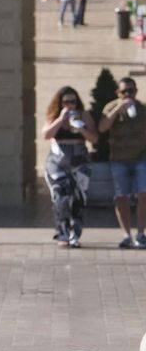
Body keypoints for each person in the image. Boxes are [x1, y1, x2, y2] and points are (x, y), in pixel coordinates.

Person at [41, 86, 97, 248]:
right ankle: (63, 233)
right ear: (60, 103)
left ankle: (75, 235)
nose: (70, 105)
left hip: (79, 161)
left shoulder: (84, 115)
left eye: (73, 101)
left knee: (78, 199)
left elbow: (94, 138)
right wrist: (60, 120)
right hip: (57, 162)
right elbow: (46, 135)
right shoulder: (54, 115)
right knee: (60, 197)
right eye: (66, 102)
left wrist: (81, 128)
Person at [98, 77, 146, 248]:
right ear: (118, 93)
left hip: (141, 158)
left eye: (131, 91)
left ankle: (141, 234)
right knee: (121, 197)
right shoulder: (111, 107)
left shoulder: (142, 109)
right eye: (124, 91)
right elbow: (102, 127)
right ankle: (126, 235)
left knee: (143, 195)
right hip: (119, 159)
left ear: (136, 92)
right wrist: (118, 108)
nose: (128, 94)